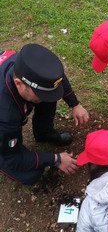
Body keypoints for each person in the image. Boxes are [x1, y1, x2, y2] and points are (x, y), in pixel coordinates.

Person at [0, 43, 89, 185]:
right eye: (39, 94)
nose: (44, 98)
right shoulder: (6, 116)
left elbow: (55, 79)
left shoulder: (27, 65)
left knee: (48, 92)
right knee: (31, 175)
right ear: (18, 84)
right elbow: (13, 159)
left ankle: (43, 132)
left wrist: (75, 104)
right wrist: (55, 159)